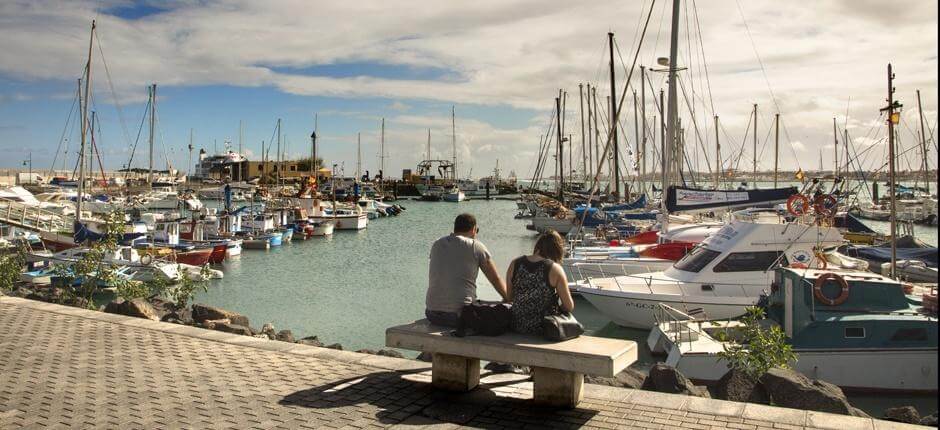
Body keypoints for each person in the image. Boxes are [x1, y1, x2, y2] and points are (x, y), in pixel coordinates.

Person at [425, 213, 507, 327]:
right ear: (474, 229)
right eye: (477, 230)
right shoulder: (475, 246)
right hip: (460, 316)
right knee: (504, 310)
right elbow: (495, 278)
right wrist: (508, 299)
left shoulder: (437, 244)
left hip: (431, 314)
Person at [505, 229, 574, 334]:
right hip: (545, 327)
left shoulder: (515, 263)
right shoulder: (555, 269)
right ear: (557, 250)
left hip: (516, 324)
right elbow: (569, 306)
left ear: (537, 246)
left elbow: (509, 298)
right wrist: (559, 309)